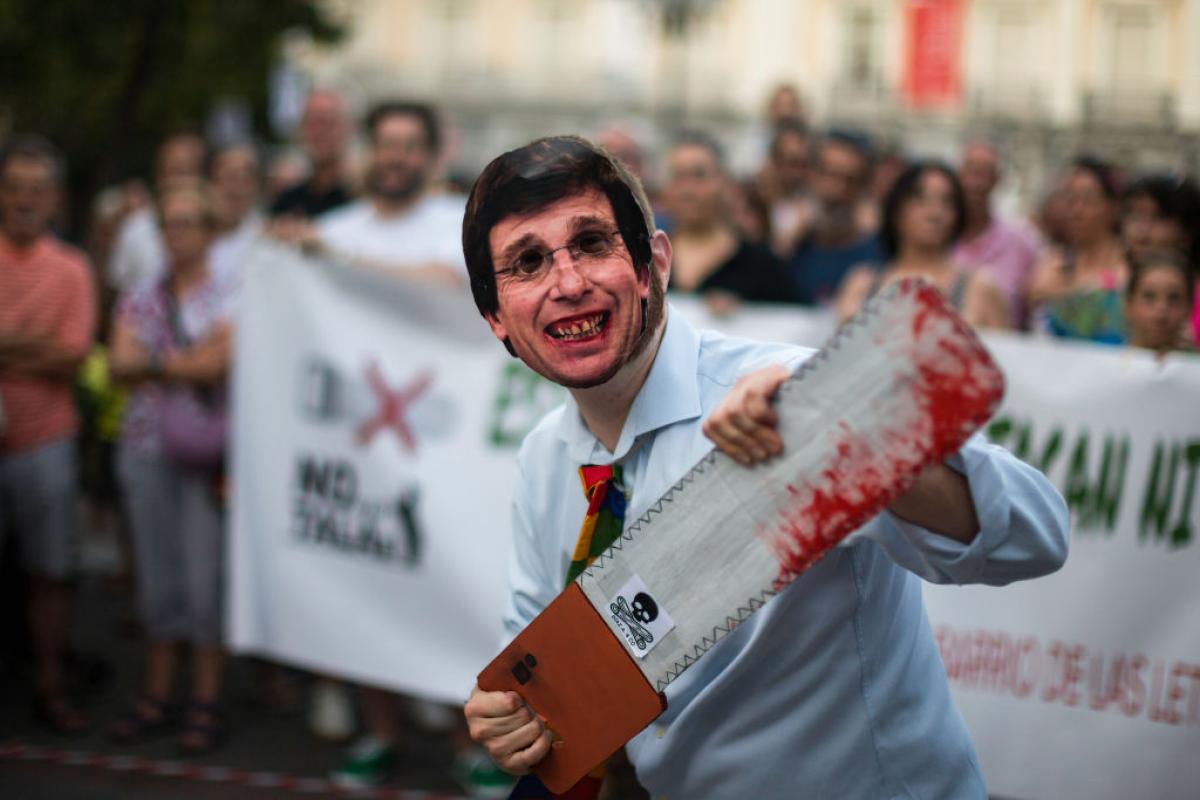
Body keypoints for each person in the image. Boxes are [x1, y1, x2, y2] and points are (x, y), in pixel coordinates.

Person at [459, 135, 1069, 799]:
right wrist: (513, 720)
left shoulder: (793, 395)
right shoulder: (545, 459)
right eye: (527, 262)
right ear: (495, 317)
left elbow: (1034, 536)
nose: (569, 283)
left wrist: (851, 443)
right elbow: (545, 680)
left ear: (653, 263)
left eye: (592, 243)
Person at [107, 180, 235, 754]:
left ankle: (206, 697)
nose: (177, 234)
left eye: (188, 223)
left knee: (204, 580)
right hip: (144, 449)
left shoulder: (230, 292)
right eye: (169, 224)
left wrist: (153, 362)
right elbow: (117, 363)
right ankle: (157, 692)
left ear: (209, 231)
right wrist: (183, 360)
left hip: (206, 453)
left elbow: (217, 364)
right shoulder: (141, 291)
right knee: (157, 575)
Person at [0, 135, 98, 734]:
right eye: (14, 187)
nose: (24, 200)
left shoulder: (72, 269)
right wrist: (35, 343)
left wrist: (8, 345)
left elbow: (72, 356)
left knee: (51, 572)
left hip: (47, 441)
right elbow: (52, 349)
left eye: (36, 189)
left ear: (55, 198)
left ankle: (50, 686)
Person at [835, 161, 1008, 329]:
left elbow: (1004, 346)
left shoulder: (980, 288)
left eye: (947, 201)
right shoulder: (861, 284)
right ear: (896, 208)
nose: (935, 213)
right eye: (920, 198)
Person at [662, 131, 790, 310]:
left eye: (699, 176)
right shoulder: (645, 261)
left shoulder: (760, 264)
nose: (688, 190)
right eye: (678, 177)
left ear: (724, 183)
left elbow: (796, 319)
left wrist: (744, 313)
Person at [1026, 156, 1130, 344]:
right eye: (1070, 199)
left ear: (1113, 207)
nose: (1077, 210)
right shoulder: (1052, 262)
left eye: (1088, 200)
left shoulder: (1130, 265)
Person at [785, 129, 884, 305]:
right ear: (811, 174)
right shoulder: (789, 246)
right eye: (829, 174)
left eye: (850, 179)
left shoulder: (877, 253)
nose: (838, 189)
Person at [954, 141, 1041, 328]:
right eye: (971, 172)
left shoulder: (1023, 242)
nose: (976, 183)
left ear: (997, 180)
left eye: (984, 174)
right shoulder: (937, 240)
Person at [107, 132, 206, 292]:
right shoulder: (135, 227)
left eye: (187, 171)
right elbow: (119, 288)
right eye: (174, 171)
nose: (180, 181)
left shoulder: (215, 227)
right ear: (159, 175)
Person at [268, 89, 354, 221]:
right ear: (300, 130)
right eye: (314, 123)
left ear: (348, 129)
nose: (322, 131)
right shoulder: (287, 201)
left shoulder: (364, 197)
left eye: (330, 122)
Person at [1123, 250, 1195, 355]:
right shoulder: (1105, 355)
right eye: (1149, 296)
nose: (1161, 309)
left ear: (1189, 306)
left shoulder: (1195, 362)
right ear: (1128, 304)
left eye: (1174, 298)